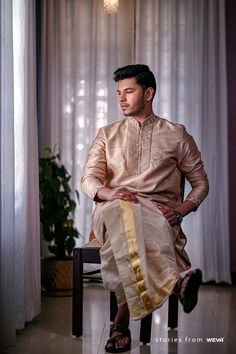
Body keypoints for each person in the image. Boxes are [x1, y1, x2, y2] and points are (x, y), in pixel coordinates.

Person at [81, 64, 209, 353]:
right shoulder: (106, 134)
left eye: (129, 91)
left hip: (157, 217)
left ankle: (120, 325)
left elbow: (201, 183)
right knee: (122, 210)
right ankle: (174, 284)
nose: (121, 98)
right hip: (111, 210)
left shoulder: (177, 135)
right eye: (118, 93)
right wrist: (108, 191)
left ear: (148, 93)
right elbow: (89, 179)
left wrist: (181, 209)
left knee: (136, 222)